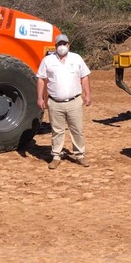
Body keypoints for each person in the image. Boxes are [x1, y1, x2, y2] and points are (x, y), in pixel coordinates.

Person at [37, 34, 92, 170]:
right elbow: (40, 79)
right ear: (55, 46)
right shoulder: (47, 60)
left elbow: (84, 76)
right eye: (59, 44)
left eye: (64, 43)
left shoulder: (77, 58)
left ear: (69, 45)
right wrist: (40, 97)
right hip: (55, 102)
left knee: (77, 129)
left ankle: (80, 155)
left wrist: (88, 94)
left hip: (74, 101)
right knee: (57, 130)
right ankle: (56, 156)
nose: (62, 46)